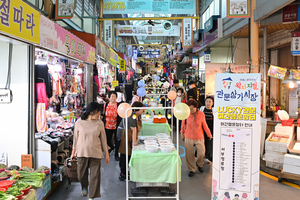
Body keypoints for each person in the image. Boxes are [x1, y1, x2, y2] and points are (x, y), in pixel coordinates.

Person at [71, 102, 110, 200]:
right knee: (80, 175)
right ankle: (84, 186)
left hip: (96, 153)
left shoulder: (99, 123)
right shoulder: (79, 123)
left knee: (95, 176)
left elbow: (103, 140)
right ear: (91, 112)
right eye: (98, 112)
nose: (99, 115)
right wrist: (73, 153)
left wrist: (107, 153)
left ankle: (91, 197)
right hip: (81, 153)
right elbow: (75, 139)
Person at [180, 99, 213, 177]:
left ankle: (200, 164)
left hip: (199, 137)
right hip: (188, 136)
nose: (190, 110)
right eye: (189, 108)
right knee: (189, 154)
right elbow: (183, 123)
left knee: (201, 153)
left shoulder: (201, 114)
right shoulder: (186, 114)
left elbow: (205, 125)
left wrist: (209, 134)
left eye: (192, 108)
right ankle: (192, 169)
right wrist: (182, 132)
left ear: (196, 107)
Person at [118, 101, 144, 181]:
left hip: (129, 135)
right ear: (137, 110)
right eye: (142, 109)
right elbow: (134, 129)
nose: (144, 110)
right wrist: (134, 142)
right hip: (123, 135)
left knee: (128, 154)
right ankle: (123, 173)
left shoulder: (137, 116)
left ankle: (126, 172)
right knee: (125, 154)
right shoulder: (131, 116)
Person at [103, 91, 122, 161]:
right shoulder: (106, 104)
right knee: (107, 140)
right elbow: (103, 114)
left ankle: (116, 154)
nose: (113, 98)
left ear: (116, 97)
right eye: (111, 96)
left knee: (117, 140)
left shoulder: (118, 105)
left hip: (116, 125)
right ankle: (111, 148)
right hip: (107, 125)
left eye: (114, 96)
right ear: (109, 97)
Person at [200, 96, 214, 163]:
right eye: (206, 101)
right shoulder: (202, 109)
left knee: (209, 144)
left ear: (212, 103)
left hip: (210, 130)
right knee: (201, 143)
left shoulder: (214, 111)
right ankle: (200, 157)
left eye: (209, 102)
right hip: (202, 130)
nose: (208, 103)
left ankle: (207, 157)